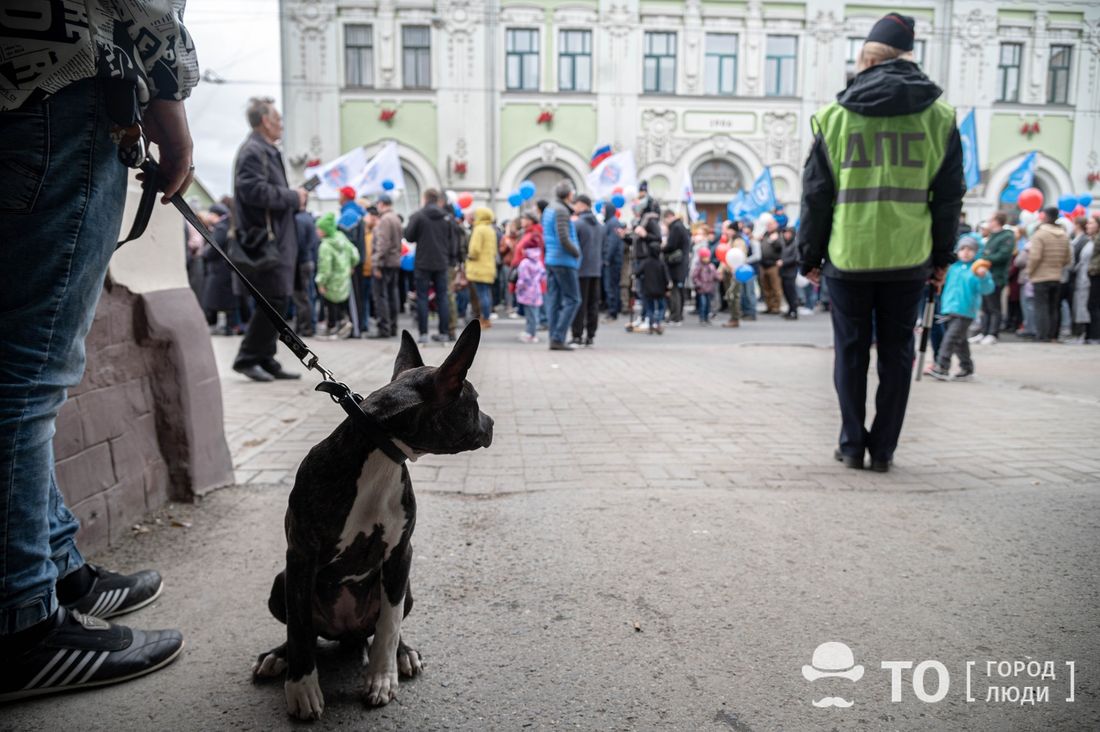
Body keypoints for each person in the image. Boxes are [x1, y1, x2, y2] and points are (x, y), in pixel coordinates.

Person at [0, 1, 197, 700]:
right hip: (57, 78)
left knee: (21, 363)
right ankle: (21, 626)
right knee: (26, 373)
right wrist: (168, 98)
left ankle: (53, 568)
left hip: (29, 78)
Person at [797, 13, 965, 472]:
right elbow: (949, 197)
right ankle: (884, 450)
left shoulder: (834, 118)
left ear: (866, 60)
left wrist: (808, 256)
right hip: (909, 256)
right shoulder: (942, 118)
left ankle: (852, 444)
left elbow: (816, 195)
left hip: (849, 256)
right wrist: (943, 256)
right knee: (898, 354)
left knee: (850, 352)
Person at [231, 97, 308, 381]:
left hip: (278, 238)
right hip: (266, 241)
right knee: (274, 298)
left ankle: (265, 357)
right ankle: (248, 357)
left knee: (278, 299)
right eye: (278, 121)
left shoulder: (264, 150)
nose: (281, 126)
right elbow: (252, 190)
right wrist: (293, 197)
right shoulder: (254, 150)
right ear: (265, 121)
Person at [928, 237, 994, 381]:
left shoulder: (977, 269)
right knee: (960, 341)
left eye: (970, 250)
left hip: (965, 311)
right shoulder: (953, 268)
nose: (966, 252)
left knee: (950, 339)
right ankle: (967, 368)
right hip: (949, 309)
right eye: (963, 249)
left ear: (976, 252)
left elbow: (987, 289)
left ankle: (942, 367)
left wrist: (983, 277)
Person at [404, 189, 456, 344]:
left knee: (422, 297)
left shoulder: (419, 215)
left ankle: (423, 333)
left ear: (425, 198)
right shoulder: (447, 217)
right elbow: (452, 241)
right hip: (441, 262)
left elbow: (409, 236)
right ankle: (444, 332)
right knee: (442, 297)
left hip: (423, 262)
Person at [543, 181, 582, 351]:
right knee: (574, 299)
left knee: (554, 301)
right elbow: (564, 238)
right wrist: (576, 252)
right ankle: (558, 337)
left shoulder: (550, 209)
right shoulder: (561, 210)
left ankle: (554, 337)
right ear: (569, 195)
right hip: (563, 261)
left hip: (552, 259)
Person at [1027, 207, 1071, 343]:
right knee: (1053, 307)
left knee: (1041, 306)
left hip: (1041, 276)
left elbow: (1035, 256)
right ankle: (1053, 335)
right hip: (1056, 276)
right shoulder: (1063, 234)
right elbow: (1067, 258)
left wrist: (1030, 271)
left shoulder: (1040, 234)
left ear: (1045, 217)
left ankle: (1042, 335)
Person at [314, 212, 360, 339]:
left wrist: (321, 282)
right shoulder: (342, 237)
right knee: (341, 304)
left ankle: (332, 329)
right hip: (344, 279)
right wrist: (351, 265)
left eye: (319, 228)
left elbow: (325, 267)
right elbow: (355, 254)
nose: (317, 231)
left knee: (330, 305)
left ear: (325, 230)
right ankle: (343, 326)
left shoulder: (325, 245)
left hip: (331, 281)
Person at [971, 212, 1014, 344]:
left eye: (991, 220)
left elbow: (1003, 255)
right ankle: (984, 331)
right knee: (985, 306)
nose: (989, 222)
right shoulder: (992, 236)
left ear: (997, 221)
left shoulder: (1006, 236)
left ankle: (992, 333)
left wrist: (985, 259)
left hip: (996, 276)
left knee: (994, 306)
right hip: (986, 276)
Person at [202, 203, 243, 335]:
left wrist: (204, 254)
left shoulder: (220, 228)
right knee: (227, 300)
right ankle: (230, 327)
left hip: (219, 269)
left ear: (215, 215)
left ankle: (225, 327)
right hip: (227, 269)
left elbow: (214, 247)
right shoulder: (229, 225)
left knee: (217, 299)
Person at [571, 194, 603, 346]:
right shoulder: (599, 225)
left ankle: (577, 335)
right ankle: (590, 336)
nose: (573, 208)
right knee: (593, 304)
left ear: (582, 205)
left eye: (575, 204)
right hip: (596, 269)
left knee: (579, 303)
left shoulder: (578, 224)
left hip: (580, 269)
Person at [369, 195, 402, 338]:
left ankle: (384, 329)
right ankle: (393, 327)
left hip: (384, 263)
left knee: (381, 296)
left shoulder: (385, 220)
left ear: (381, 204)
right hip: (394, 262)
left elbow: (382, 244)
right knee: (392, 295)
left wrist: (376, 264)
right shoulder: (395, 218)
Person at [466, 207, 498, 329]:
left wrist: (469, 256)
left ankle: (484, 319)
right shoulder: (491, 230)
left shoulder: (478, 229)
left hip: (479, 267)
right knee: (486, 294)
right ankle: (486, 318)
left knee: (481, 295)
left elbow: (474, 250)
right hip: (489, 266)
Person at [292, 209, 320, 337]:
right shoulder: (307, 218)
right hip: (307, 261)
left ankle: (306, 328)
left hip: (301, 262)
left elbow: (300, 244)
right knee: (306, 295)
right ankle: (304, 327)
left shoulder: (299, 220)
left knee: (302, 297)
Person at [661, 210, 692, 324]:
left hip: (676, 264)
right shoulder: (681, 226)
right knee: (678, 289)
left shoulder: (676, 227)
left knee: (675, 291)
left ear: (668, 217)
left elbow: (671, 245)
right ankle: (678, 314)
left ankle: (675, 315)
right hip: (681, 264)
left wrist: (662, 247)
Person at [515, 246, 547, 344]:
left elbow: (522, 279)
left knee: (530, 315)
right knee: (534, 314)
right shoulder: (538, 262)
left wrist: (518, 288)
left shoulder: (525, 263)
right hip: (536, 292)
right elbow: (543, 276)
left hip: (527, 293)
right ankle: (530, 332)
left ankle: (531, 334)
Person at [1069, 217, 1093, 341]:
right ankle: (1082, 333)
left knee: (1086, 306)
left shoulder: (1085, 241)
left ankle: (1086, 333)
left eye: (1091, 223)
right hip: (1081, 277)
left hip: (1087, 277)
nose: (1088, 226)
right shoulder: (1084, 240)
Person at [640, 239, 671, 335]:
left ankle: (651, 324)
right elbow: (666, 278)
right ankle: (657, 322)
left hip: (648, 289)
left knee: (650, 308)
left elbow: (637, 272)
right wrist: (667, 288)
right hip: (660, 290)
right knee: (662, 307)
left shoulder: (645, 262)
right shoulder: (661, 263)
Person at [602, 205, 626, 321]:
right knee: (612, 286)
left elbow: (612, 242)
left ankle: (613, 311)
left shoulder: (612, 223)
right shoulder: (612, 222)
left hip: (612, 261)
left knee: (611, 286)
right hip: (613, 259)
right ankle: (613, 309)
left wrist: (607, 258)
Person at [758, 214, 784, 314]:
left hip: (773, 265)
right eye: (768, 224)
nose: (769, 226)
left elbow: (781, 248)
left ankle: (776, 307)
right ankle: (769, 306)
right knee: (766, 287)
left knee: (775, 287)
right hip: (763, 265)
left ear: (776, 224)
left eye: (771, 224)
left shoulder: (779, 234)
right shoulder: (765, 234)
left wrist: (775, 241)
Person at [691, 248, 719, 324]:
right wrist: (699, 284)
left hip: (709, 288)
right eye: (704, 257)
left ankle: (707, 318)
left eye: (707, 257)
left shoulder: (711, 266)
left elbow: (715, 275)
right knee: (703, 304)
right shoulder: (699, 266)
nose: (706, 259)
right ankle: (702, 317)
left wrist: (718, 277)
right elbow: (694, 276)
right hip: (702, 289)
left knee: (708, 305)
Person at [779, 227, 801, 319]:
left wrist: (784, 262)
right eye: (785, 233)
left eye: (788, 233)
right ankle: (790, 309)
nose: (786, 235)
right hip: (783, 271)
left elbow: (796, 258)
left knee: (791, 292)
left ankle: (794, 312)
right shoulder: (784, 243)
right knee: (786, 292)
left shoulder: (795, 244)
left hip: (791, 272)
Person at [1086, 215, 1100, 344]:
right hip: (1094, 274)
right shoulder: (1093, 239)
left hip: (1096, 274)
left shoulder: (1097, 239)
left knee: (1094, 305)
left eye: (1091, 223)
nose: (1087, 225)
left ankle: (1095, 335)